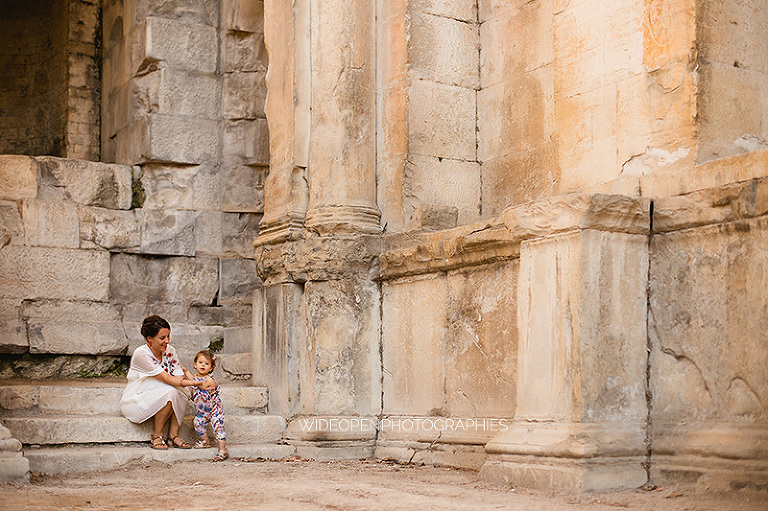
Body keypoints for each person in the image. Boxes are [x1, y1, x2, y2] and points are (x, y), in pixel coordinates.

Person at [120, 315, 204, 450]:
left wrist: (195, 388)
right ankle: (157, 436)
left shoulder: (170, 351)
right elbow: (166, 378)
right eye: (162, 338)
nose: (167, 341)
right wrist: (194, 383)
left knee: (183, 391)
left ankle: (173, 435)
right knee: (171, 390)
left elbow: (178, 377)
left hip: (159, 393)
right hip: (137, 400)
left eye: (168, 336)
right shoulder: (141, 354)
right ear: (149, 339)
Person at [184, 349, 229, 461]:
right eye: (200, 362)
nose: (203, 365)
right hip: (203, 411)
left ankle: (222, 449)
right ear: (195, 365)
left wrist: (188, 378)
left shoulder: (208, 380)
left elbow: (199, 384)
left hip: (214, 410)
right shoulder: (196, 378)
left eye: (207, 363)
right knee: (197, 423)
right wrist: (185, 370)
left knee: (218, 427)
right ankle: (205, 441)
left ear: (211, 368)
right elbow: (193, 380)